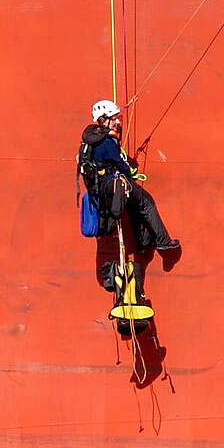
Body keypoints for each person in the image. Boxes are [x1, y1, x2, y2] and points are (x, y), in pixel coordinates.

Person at [80, 101, 180, 303]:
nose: (118, 122)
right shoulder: (106, 142)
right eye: (115, 118)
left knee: (134, 206)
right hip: (114, 184)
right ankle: (163, 243)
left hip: (103, 189)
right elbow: (121, 165)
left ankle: (143, 244)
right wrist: (130, 169)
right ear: (104, 120)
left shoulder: (90, 139)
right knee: (145, 202)